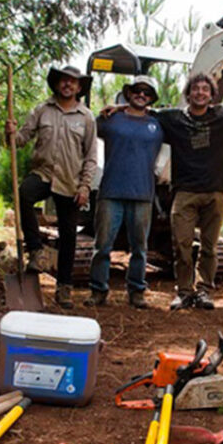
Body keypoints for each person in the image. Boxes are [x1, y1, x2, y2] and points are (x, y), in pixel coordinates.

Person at [6, 64, 97, 310]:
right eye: (64, 80)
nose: (68, 84)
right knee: (24, 194)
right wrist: (11, 134)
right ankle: (36, 251)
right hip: (44, 173)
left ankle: (64, 288)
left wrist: (85, 186)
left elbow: (90, 157)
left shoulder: (86, 117)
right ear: (57, 84)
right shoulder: (42, 111)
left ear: (79, 88)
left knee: (68, 235)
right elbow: (22, 139)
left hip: (71, 181)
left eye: (73, 82)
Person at [153, 74, 223, 310]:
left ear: (212, 95)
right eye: (196, 89)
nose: (200, 93)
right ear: (188, 93)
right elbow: (144, 110)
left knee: (209, 246)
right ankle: (183, 291)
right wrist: (118, 107)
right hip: (185, 192)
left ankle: (204, 291)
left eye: (206, 89)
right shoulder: (173, 118)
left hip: (215, 192)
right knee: (181, 244)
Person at [86, 75, 164, 309]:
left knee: (140, 248)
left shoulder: (158, 124)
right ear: (128, 93)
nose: (142, 95)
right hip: (111, 191)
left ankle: (136, 292)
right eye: (137, 91)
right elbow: (86, 127)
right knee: (102, 246)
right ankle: (98, 291)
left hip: (143, 194)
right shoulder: (110, 120)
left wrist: (121, 105)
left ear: (151, 98)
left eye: (147, 93)